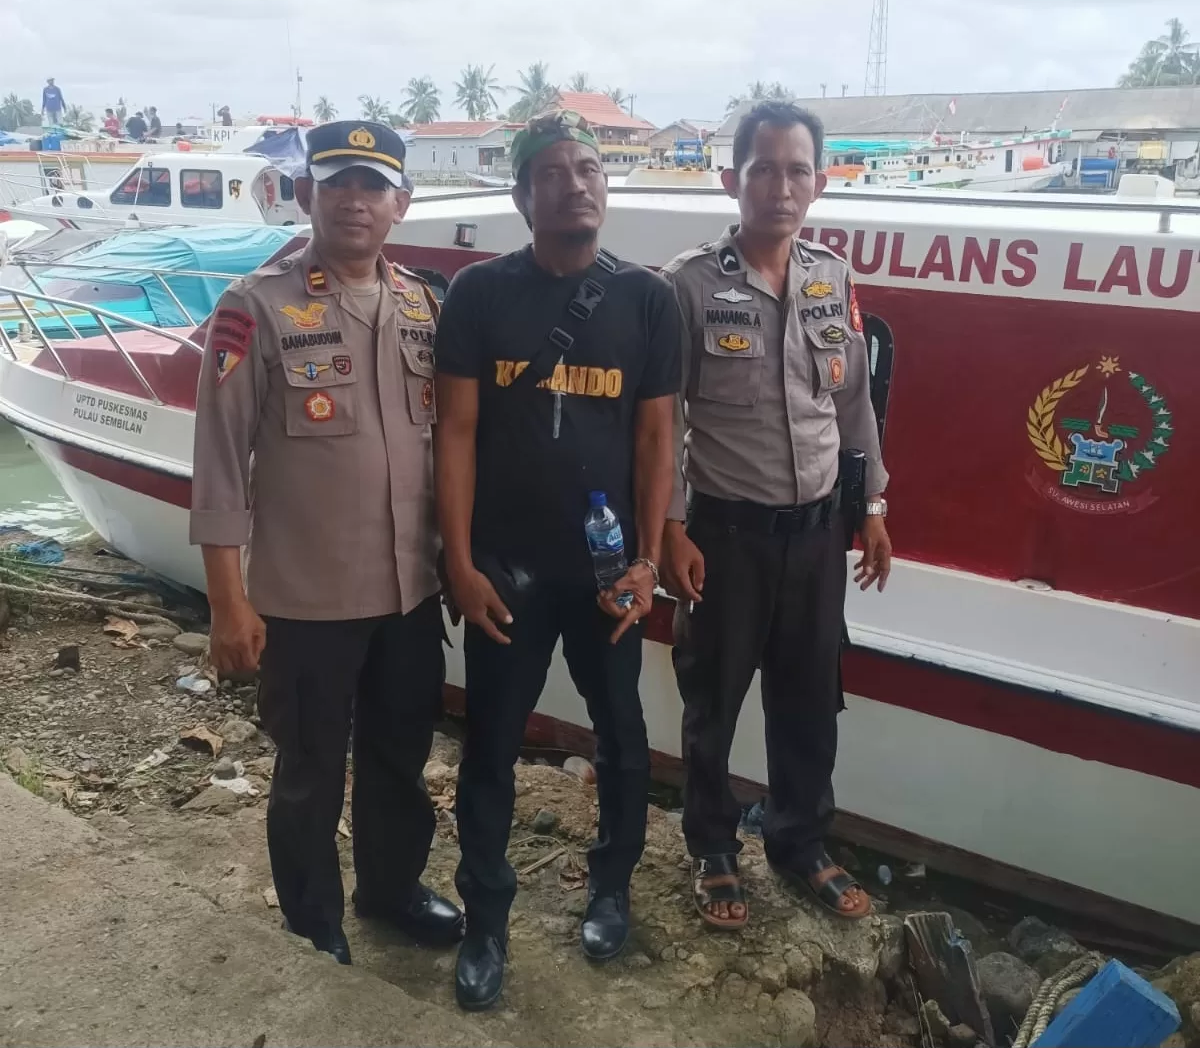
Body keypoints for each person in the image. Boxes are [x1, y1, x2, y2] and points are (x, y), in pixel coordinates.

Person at [189, 120, 463, 967]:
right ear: (308, 194)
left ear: (401, 204)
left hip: (410, 592)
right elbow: (219, 466)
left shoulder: (425, 303)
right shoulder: (256, 305)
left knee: (398, 756)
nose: (355, 199)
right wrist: (229, 603)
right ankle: (314, 920)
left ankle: (390, 889)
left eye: (374, 185)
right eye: (337, 181)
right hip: (307, 599)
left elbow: (449, 444)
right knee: (309, 769)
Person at [435, 109, 680, 1010]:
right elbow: (455, 435)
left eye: (590, 169)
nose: (575, 182)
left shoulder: (648, 301)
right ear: (521, 195)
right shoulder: (479, 296)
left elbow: (658, 441)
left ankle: (610, 885)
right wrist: (458, 562)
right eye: (554, 172)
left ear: (605, 189)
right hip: (506, 568)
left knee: (622, 736)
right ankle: (486, 919)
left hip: (607, 570)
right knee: (491, 745)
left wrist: (649, 561)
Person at [661, 101, 892, 929]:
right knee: (713, 699)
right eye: (764, 169)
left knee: (808, 696)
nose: (782, 187)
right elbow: (665, 421)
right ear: (733, 179)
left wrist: (872, 505)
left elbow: (857, 403)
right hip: (725, 535)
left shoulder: (833, 277)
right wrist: (669, 526)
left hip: (818, 534)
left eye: (798, 171)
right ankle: (715, 847)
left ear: (820, 182)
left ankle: (799, 840)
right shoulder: (687, 284)